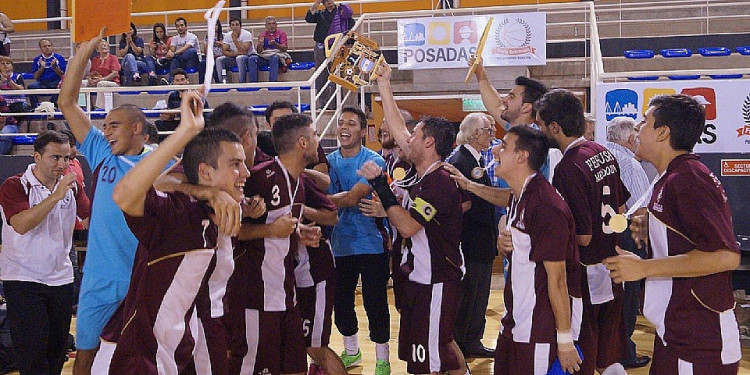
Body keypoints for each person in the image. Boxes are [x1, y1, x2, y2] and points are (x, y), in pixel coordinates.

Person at [90, 89, 248, 373]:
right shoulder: (181, 213)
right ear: (206, 172)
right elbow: (125, 194)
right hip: (133, 354)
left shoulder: (211, 213)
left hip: (172, 350)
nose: (246, 173)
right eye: (236, 165)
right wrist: (185, 132)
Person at [604, 94, 742, 374]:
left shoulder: (688, 179)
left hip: (700, 339)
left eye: (644, 122)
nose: (638, 130)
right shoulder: (671, 176)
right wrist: (654, 229)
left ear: (663, 132)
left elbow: (725, 257)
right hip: (677, 332)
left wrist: (643, 268)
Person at [57, 29, 161, 375]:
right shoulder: (102, 154)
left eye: (114, 125)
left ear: (136, 128)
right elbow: (67, 103)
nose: (106, 132)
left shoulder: (160, 162)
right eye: (104, 125)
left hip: (145, 276)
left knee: (150, 357)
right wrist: (83, 54)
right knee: (84, 354)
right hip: (101, 278)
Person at [369, 62, 470, 375]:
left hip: (435, 279)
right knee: (440, 344)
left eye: (415, 135)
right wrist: (385, 85)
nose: (406, 138)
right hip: (419, 277)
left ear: (429, 142)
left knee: (427, 362)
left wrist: (383, 191)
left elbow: (408, 226)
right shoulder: (421, 170)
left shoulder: (439, 181)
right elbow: (399, 129)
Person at [535, 89, 630, 375]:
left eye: (541, 125)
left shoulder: (568, 166)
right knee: (609, 355)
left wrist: (542, 237)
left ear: (554, 127)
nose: (539, 131)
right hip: (613, 268)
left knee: (583, 359)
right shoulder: (602, 151)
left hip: (587, 276)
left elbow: (583, 236)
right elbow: (621, 210)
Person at [227, 113, 323, 375]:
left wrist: (298, 232)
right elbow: (230, 230)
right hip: (255, 295)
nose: (318, 141)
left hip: (285, 294)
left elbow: (280, 227)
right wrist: (271, 229)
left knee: (296, 369)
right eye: (314, 135)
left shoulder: (299, 182)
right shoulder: (259, 177)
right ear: (303, 143)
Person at [488, 125, 583, 374]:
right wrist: (506, 247)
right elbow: (528, 252)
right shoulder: (519, 196)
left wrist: (565, 341)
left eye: (504, 146)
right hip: (515, 319)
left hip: (539, 327)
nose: (496, 149)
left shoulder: (545, 205)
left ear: (522, 156)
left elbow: (559, 279)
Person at [0, 130, 90, 375]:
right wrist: (56, 195)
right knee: (32, 352)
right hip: (23, 279)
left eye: (67, 158)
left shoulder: (73, 187)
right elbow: (21, 224)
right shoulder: (15, 185)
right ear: (37, 157)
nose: (62, 164)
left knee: (57, 351)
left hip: (61, 277)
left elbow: (90, 217)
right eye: (55, 158)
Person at [326, 106, 391, 374]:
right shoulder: (328, 161)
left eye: (351, 123)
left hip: (371, 243)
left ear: (363, 131)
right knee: (340, 303)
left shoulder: (373, 159)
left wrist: (318, 201)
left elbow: (353, 197)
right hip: (339, 245)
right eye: (341, 123)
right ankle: (351, 351)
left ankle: (382, 358)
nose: (344, 127)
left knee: (375, 302)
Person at [446, 112, 497, 359]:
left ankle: (472, 339)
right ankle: (464, 341)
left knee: (479, 292)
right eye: (489, 130)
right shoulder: (460, 161)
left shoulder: (474, 159)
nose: (493, 135)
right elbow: (462, 204)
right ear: (475, 133)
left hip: (481, 240)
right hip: (470, 241)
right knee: (470, 294)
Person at [602, 116, 651, 370]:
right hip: (627, 235)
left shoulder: (599, 157)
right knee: (628, 297)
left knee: (610, 297)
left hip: (602, 237)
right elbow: (640, 210)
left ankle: (610, 349)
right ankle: (625, 351)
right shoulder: (630, 164)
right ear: (631, 138)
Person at [306, 0, 354, 106]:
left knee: (337, 73)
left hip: (338, 46)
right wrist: (316, 3)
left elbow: (351, 25)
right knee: (321, 74)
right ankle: (323, 102)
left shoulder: (342, 12)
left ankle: (336, 103)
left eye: (330, 0)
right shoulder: (320, 14)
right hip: (321, 46)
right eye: (325, 1)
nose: (329, 2)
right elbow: (308, 18)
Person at [83, 39, 121, 109]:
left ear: (108, 48)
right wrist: (90, 79)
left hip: (112, 82)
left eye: (105, 45)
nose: (103, 46)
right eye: (101, 45)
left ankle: (100, 107)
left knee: (101, 84)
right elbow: (92, 73)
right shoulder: (95, 59)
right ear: (97, 49)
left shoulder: (113, 58)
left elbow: (115, 73)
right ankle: (86, 106)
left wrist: (102, 79)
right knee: (83, 83)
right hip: (97, 80)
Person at [250, 16, 289, 83]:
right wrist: (260, 44)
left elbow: (284, 48)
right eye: (269, 24)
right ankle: (253, 83)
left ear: (276, 25)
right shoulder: (262, 35)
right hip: (265, 57)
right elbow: (259, 51)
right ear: (266, 26)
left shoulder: (281, 34)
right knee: (252, 58)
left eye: (273, 23)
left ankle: (272, 83)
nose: (271, 26)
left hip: (278, 57)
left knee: (274, 57)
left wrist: (275, 44)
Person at [29, 38, 66, 107]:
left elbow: (62, 75)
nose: (47, 48)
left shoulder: (59, 58)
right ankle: (34, 107)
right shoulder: (37, 59)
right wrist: (42, 67)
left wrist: (55, 67)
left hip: (56, 82)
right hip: (42, 83)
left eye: (49, 46)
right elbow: (35, 77)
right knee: (31, 87)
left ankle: (53, 106)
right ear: (40, 48)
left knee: (63, 87)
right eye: (45, 46)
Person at [214, 18, 252, 83]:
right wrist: (235, 54)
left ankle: (241, 83)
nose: (235, 27)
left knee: (240, 58)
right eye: (233, 25)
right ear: (230, 27)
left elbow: (243, 52)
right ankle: (223, 83)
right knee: (219, 59)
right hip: (234, 57)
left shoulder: (246, 34)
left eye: (237, 25)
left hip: (247, 58)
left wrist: (234, 39)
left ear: (240, 26)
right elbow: (224, 51)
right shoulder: (228, 35)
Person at [168, 17, 200, 82]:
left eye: (181, 25)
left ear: (186, 26)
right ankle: (171, 82)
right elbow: (172, 49)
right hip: (181, 61)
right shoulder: (174, 38)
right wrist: (170, 52)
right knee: (174, 61)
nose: (180, 28)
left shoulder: (192, 36)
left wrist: (174, 54)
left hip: (193, 61)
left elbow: (186, 47)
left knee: (191, 51)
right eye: (177, 26)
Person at [0, 55, 27, 121]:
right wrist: (2, 81)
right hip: (2, 102)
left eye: (8, 63)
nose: (5, 65)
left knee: (17, 108)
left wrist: (10, 82)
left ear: (11, 66)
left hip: (16, 102)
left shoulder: (17, 76)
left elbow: (22, 89)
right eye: (3, 63)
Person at [203, 19, 225, 84]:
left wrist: (221, 44)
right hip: (211, 57)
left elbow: (227, 49)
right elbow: (205, 52)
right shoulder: (207, 37)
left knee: (216, 62)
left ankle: (219, 83)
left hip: (221, 57)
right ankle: (202, 83)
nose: (214, 27)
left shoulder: (225, 36)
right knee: (203, 63)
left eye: (216, 25)